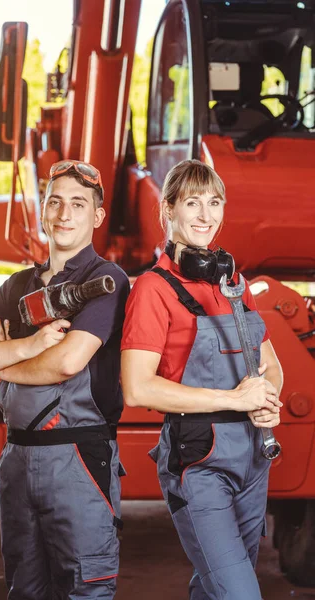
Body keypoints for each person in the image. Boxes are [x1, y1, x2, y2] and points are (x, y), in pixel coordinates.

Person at [0, 160, 130, 600]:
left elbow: (67, 362)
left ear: (97, 216)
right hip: (16, 458)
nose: (64, 214)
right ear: (43, 212)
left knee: (83, 590)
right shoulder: (18, 286)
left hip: (79, 457)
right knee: (25, 590)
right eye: (55, 202)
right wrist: (29, 348)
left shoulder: (105, 281)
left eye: (77, 203)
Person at [121, 159, 283, 600]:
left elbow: (270, 363)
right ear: (168, 210)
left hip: (253, 455)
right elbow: (138, 388)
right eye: (193, 203)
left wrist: (269, 398)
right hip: (199, 459)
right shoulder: (153, 290)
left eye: (214, 203)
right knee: (239, 593)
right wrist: (235, 398)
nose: (205, 215)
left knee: (217, 588)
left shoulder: (234, 282)